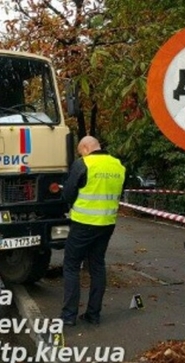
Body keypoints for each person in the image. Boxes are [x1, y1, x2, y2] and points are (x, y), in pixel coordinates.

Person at [61, 136, 126, 326]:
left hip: (83, 224)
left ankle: (69, 316)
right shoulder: (118, 165)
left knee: (71, 266)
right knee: (97, 266)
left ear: (85, 148)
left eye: (81, 152)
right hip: (107, 224)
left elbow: (68, 194)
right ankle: (93, 314)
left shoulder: (83, 164)